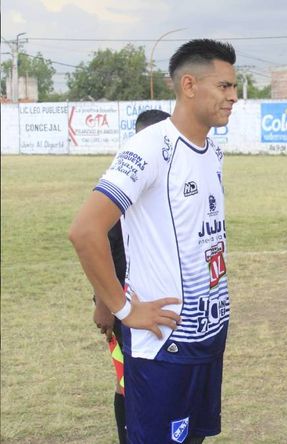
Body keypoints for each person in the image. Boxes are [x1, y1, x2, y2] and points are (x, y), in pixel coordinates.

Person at [69, 39, 238, 444]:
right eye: (224, 86)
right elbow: (85, 230)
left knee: (192, 436)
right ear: (189, 85)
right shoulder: (148, 148)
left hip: (207, 334)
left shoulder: (211, 150)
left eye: (235, 87)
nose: (233, 97)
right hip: (164, 346)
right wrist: (123, 308)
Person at [92, 108, 171, 444]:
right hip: (128, 305)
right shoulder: (122, 183)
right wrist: (105, 304)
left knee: (166, 381)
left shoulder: (172, 178)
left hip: (168, 304)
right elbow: (100, 246)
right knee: (128, 382)